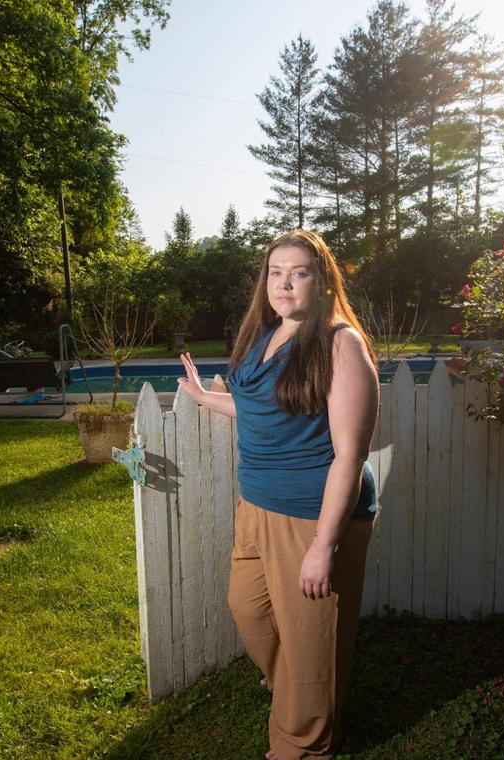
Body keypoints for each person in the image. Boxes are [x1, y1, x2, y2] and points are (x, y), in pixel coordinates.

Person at [177, 229, 380, 760]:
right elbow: (262, 410)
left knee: (312, 648)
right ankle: (292, 693)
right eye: (275, 272)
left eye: (299, 272)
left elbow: (350, 456)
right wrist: (204, 398)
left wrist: (324, 545)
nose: (284, 283)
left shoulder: (340, 344)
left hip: (314, 515)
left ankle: (302, 746)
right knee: (249, 609)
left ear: (323, 280)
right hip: (257, 504)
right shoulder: (266, 333)